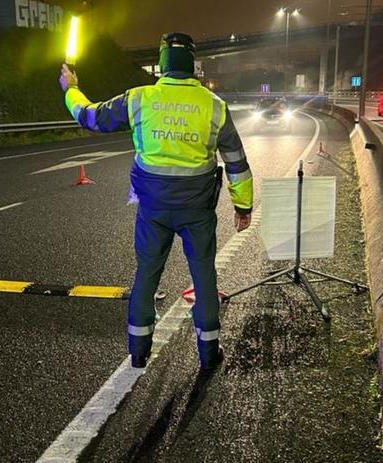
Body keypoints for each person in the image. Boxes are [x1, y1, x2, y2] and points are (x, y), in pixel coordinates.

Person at [58, 32, 253, 371]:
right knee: (204, 276)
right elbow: (236, 161)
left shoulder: (140, 98)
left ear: (163, 63)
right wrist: (243, 207)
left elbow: (89, 117)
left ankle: (138, 351)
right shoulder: (215, 106)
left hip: (153, 210)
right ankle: (208, 354)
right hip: (198, 210)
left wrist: (70, 87)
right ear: (191, 64)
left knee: (147, 274)